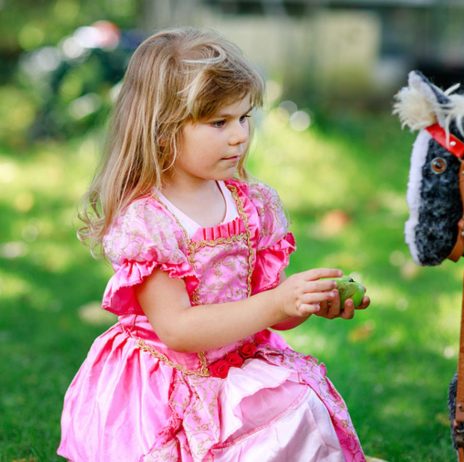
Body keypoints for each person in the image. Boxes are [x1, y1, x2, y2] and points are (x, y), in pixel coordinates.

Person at [57, 27, 370, 462]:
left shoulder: (252, 204)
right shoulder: (149, 222)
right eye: (219, 122)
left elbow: (266, 310)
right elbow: (178, 330)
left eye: (244, 117)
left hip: (240, 363)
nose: (240, 135)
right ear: (163, 129)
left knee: (300, 407)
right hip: (168, 379)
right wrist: (275, 304)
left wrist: (301, 303)